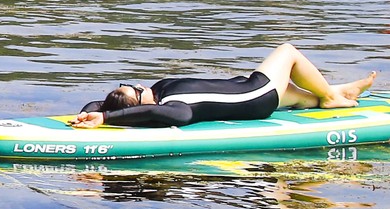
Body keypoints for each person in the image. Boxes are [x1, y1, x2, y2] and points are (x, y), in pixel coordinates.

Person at [71, 43, 376, 129]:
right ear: (141, 104)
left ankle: (335, 94)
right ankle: (331, 95)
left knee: (303, 98)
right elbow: (171, 117)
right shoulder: (173, 109)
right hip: (255, 94)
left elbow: (102, 104)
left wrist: (88, 113)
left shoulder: (158, 93)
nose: (138, 84)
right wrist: (108, 120)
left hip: (247, 90)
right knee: (288, 52)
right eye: (134, 90)